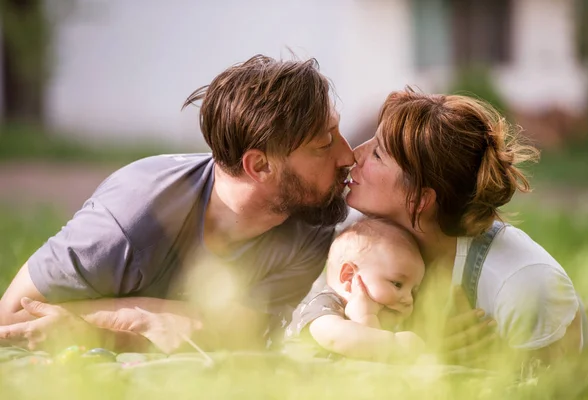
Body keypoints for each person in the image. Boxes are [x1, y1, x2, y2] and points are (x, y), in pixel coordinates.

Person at [0, 54, 355, 353]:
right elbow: (11, 319)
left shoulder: (312, 223)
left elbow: (237, 336)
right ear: (259, 166)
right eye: (324, 144)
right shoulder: (132, 217)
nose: (348, 155)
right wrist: (151, 319)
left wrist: (118, 320)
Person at [345, 87, 588, 367]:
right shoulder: (364, 246)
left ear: (419, 198)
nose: (355, 154)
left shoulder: (524, 285)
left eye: (377, 154)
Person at [285, 217, 425, 363]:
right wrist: (394, 344)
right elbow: (335, 338)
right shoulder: (323, 305)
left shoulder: (385, 317)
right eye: (397, 284)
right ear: (349, 276)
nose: (408, 299)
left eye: (413, 291)